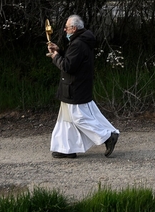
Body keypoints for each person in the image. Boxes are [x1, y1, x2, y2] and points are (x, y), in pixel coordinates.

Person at [46, 15, 120, 158]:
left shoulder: (78, 44)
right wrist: (59, 51)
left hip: (75, 87)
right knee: (66, 119)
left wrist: (55, 57)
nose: (65, 29)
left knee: (78, 118)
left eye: (67, 27)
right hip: (75, 86)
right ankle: (66, 149)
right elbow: (72, 60)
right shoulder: (80, 42)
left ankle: (107, 137)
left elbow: (68, 66)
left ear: (74, 28)